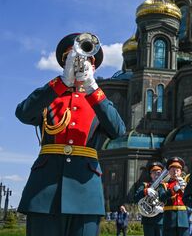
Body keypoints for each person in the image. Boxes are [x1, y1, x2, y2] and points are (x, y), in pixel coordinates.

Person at [15, 33, 126, 236]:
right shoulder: (49, 97)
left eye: (86, 60)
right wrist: (61, 82)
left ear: (94, 67)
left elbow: (118, 131)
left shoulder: (99, 103)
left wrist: (92, 88)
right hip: (44, 193)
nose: (79, 64)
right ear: (64, 63)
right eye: (72, 58)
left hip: (85, 194)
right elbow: (23, 113)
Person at [160, 157, 190, 236]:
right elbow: (161, 198)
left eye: (177, 170)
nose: (175, 172)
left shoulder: (186, 183)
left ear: (181, 171)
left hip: (183, 218)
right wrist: (173, 190)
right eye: (172, 170)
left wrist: (185, 189)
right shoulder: (164, 184)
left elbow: (191, 199)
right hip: (169, 219)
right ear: (169, 171)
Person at [135, 161, 166, 236]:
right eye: (154, 172)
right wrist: (145, 191)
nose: (156, 174)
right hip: (148, 220)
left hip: (161, 219)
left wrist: (164, 209)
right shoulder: (145, 185)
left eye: (159, 172)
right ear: (150, 174)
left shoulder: (165, 186)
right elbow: (136, 198)